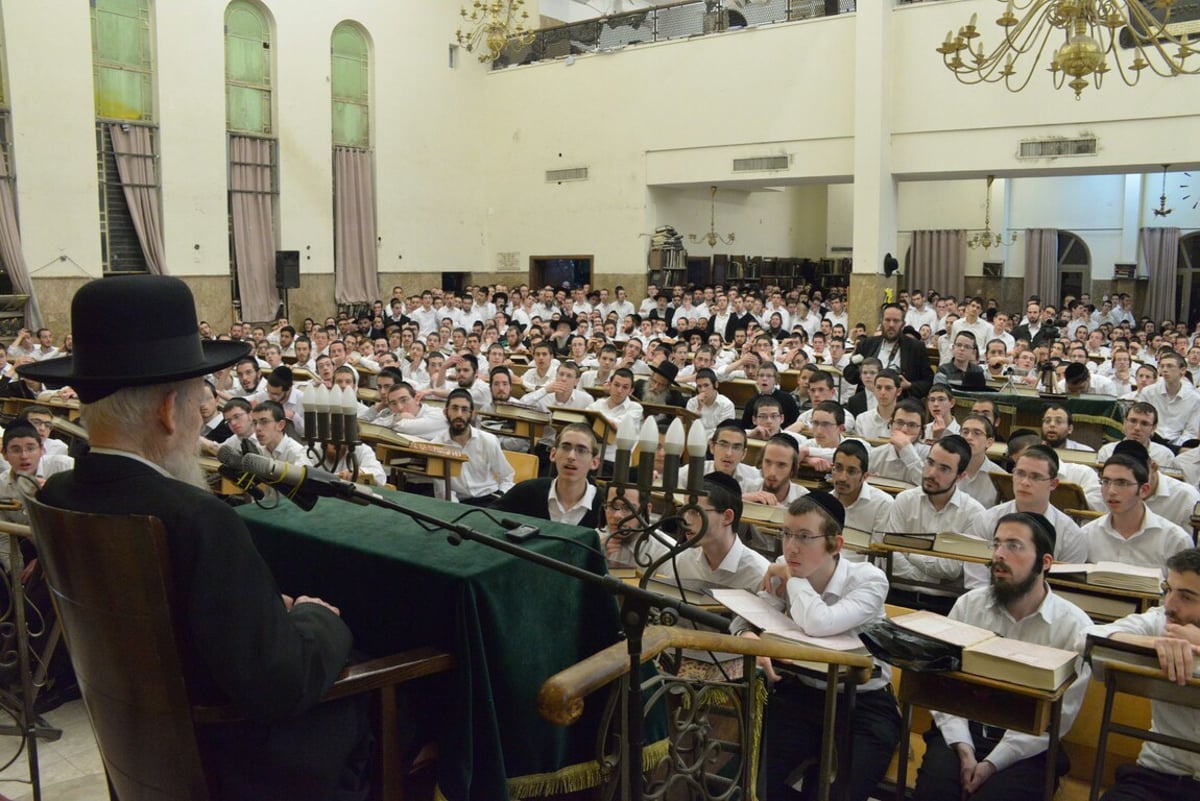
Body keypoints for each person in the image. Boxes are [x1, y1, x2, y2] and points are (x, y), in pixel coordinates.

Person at [20, 275, 372, 800]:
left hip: (142, 752)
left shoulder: (62, 492)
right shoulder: (198, 519)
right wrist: (314, 615)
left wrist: (255, 610)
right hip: (235, 762)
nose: (200, 419)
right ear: (168, 410)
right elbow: (281, 686)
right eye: (197, 404)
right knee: (407, 703)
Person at [912, 512, 1092, 801]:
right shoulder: (969, 606)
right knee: (935, 791)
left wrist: (992, 764)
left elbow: (1059, 718)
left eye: (1014, 546)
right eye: (996, 544)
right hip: (962, 732)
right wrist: (964, 748)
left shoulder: (1074, 627)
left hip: (1028, 746)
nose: (999, 555)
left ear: (1045, 563)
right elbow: (941, 685)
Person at [742, 494, 900, 801]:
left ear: (835, 545)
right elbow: (750, 614)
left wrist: (791, 577)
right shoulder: (785, 566)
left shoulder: (869, 580)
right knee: (754, 781)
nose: (790, 547)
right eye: (786, 533)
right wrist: (746, 635)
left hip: (863, 704)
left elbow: (819, 623)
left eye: (804, 537)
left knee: (837, 794)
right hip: (802, 693)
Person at [1086, 548, 1200, 801]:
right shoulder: (1161, 621)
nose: (1169, 604)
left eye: (1186, 597)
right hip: (1157, 772)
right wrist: (1154, 644)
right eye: (1167, 589)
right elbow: (1087, 636)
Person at [963, 444, 1089, 588]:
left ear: (1053, 484)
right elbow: (976, 580)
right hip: (989, 603)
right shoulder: (986, 520)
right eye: (1020, 473)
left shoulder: (1071, 535)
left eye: (1035, 477)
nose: (1024, 482)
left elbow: (1064, 589)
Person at [883, 435, 988, 608]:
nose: (931, 473)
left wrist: (908, 549)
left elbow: (953, 569)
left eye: (944, 469)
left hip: (945, 605)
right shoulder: (904, 500)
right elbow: (890, 557)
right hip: (898, 596)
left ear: (961, 476)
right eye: (930, 463)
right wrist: (932, 578)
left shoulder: (974, 514)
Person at [493, 423, 606, 526]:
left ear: (594, 462)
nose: (571, 456)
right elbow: (487, 518)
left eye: (581, 451)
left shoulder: (605, 505)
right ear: (553, 454)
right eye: (565, 447)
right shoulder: (527, 491)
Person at [843, 303, 935, 399]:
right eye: (887, 320)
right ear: (881, 322)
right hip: (868, 399)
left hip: (901, 402)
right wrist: (864, 374)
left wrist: (909, 385)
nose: (891, 325)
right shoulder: (866, 344)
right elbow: (849, 373)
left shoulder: (916, 347)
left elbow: (928, 383)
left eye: (896, 321)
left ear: (903, 324)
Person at [686, 368, 736, 439]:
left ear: (716, 384)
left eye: (706, 385)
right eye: (699, 386)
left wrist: (701, 435)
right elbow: (690, 429)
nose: (702, 390)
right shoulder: (692, 402)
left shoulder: (727, 405)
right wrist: (699, 409)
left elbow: (724, 432)